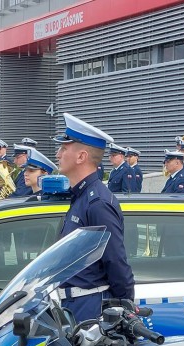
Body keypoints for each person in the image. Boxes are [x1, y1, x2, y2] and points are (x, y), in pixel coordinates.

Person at [54, 112, 134, 321]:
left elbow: (116, 262)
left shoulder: (97, 203)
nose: (57, 154)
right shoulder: (81, 196)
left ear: (81, 157)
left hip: (91, 308)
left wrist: (125, 309)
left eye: (64, 148)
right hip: (75, 305)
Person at [13, 148, 57, 263]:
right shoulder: (33, 198)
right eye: (25, 170)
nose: (26, 174)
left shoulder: (45, 200)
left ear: (45, 173)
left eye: (31, 171)